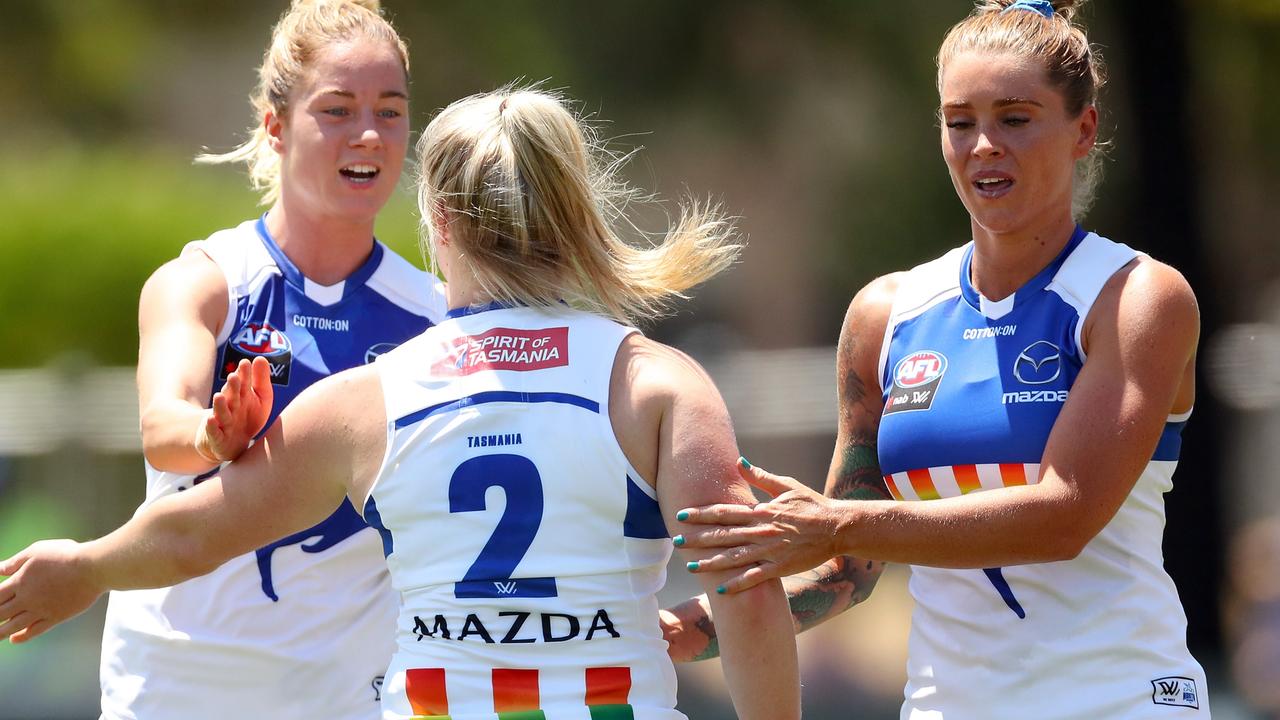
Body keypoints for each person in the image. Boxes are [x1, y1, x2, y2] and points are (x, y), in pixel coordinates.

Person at [0, 86, 801, 720]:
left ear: (441, 220)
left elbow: (194, 534)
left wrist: (85, 565)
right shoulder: (657, 384)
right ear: (574, 212)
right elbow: (747, 597)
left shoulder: (370, 401)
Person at [665, 0, 1210, 717]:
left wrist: (836, 524)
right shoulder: (887, 315)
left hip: (1121, 702)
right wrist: (682, 630)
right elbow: (848, 571)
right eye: (961, 121)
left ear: (1084, 129)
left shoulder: (1138, 297)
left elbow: (1064, 517)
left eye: (1014, 118)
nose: (984, 144)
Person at [84, 1, 446, 717]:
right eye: (337, 109)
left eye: (391, 110)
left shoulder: (435, 316)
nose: (369, 133)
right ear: (276, 127)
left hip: (344, 693)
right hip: (175, 682)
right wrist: (209, 437)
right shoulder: (205, 281)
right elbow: (162, 424)